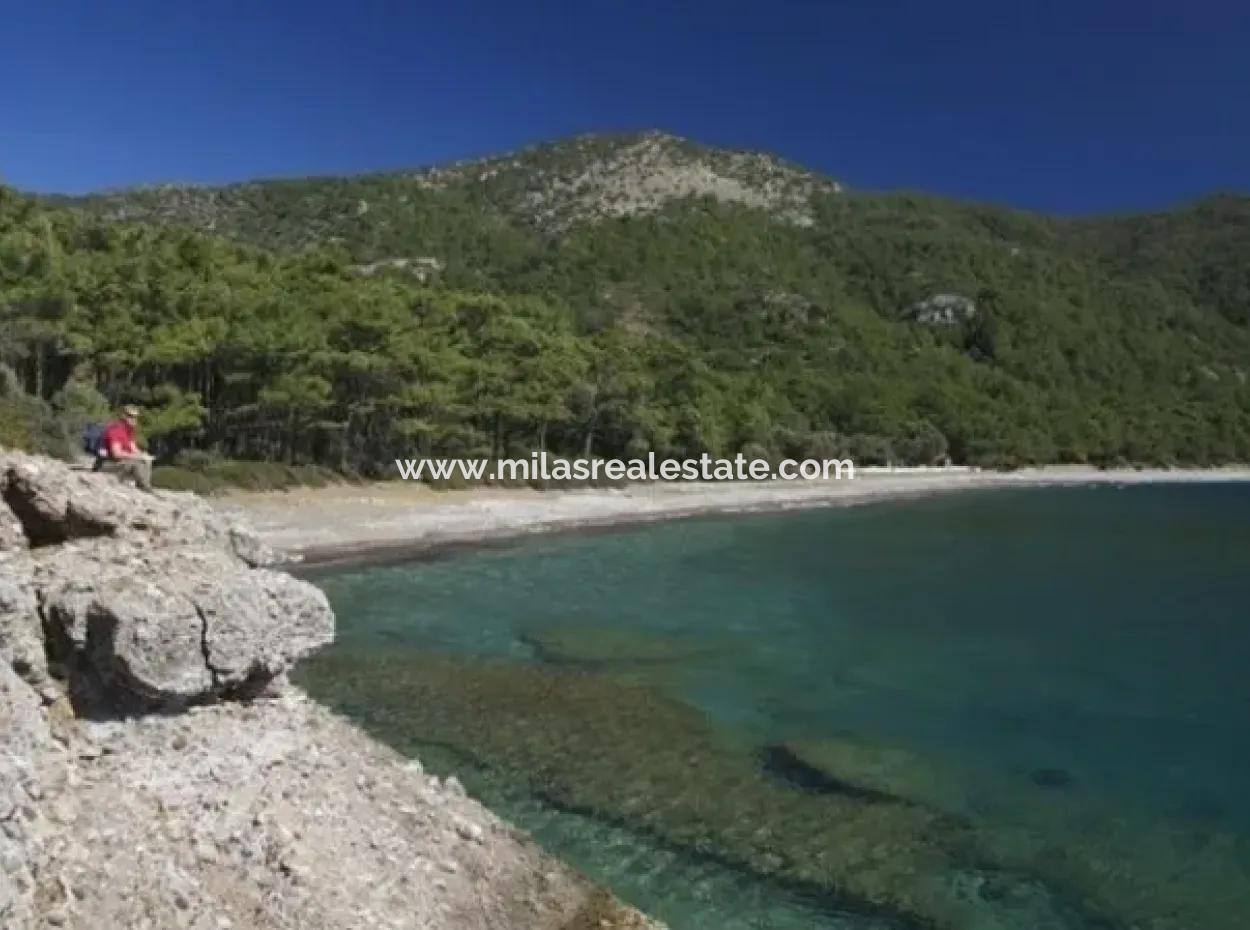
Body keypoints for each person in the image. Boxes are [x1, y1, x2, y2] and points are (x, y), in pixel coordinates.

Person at [100, 405, 154, 490]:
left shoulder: (129, 431)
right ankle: (144, 486)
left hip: (119, 463)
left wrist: (144, 456)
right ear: (123, 416)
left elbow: (133, 448)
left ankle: (144, 485)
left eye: (135, 417)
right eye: (130, 416)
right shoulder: (116, 430)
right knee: (135, 462)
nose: (134, 419)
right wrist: (138, 457)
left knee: (144, 460)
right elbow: (117, 453)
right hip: (107, 464)